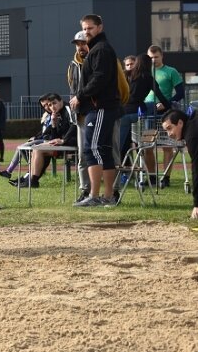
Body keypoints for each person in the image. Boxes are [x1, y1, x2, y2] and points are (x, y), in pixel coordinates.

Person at [71, 14, 121, 207]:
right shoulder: (98, 49)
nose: (86, 32)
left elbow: (99, 79)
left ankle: (94, 195)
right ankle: (107, 196)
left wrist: (80, 96)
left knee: (92, 149)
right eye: (84, 28)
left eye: (90, 28)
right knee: (104, 151)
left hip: (99, 107)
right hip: (99, 107)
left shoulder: (101, 49)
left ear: (100, 27)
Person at [10, 93, 77, 188]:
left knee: (38, 149)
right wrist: (54, 124)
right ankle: (31, 180)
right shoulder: (56, 114)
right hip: (63, 143)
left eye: (54, 103)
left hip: (73, 142)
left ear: (61, 101)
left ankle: (33, 181)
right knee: (35, 149)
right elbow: (55, 136)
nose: (52, 107)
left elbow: (74, 125)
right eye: (50, 105)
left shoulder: (67, 108)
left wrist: (63, 140)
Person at [143, 45, 185, 188]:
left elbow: (180, 93)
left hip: (165, 114)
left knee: (167, 146)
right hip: (147, 113)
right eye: (150, 57)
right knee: (147, 146)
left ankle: (166, 177)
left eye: (156, 57)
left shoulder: (170, 71)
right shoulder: (145, 72)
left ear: (162, 56)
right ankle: (152, 177)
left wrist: (166, 103)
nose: (153, 60)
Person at [120, 54, 168, 157]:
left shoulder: (127, 75)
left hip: (123, 112)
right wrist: (169, 107)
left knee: (120, 144)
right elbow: (160, 96)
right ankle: (148, 135)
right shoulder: (148, 77)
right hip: (136, 113)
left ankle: (117, 168)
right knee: (153, 106)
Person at [0, 94, 52, 179]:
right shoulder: (47, 115)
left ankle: (34, 170)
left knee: (24, 147)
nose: (46, 107)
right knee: (20, 147)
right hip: (43, 139)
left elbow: (49, 132)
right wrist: (35, 137)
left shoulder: (55, 115)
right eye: (44, 106)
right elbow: (44, 131)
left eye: (47, 105)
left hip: (49, 141)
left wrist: (36, 138)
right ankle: (9, 171)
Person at [66, 31, 92, 200]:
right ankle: (85, 189)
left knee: (106, 153)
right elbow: (71, 88)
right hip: (81, 115)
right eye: (77, 44)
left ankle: (113, 190)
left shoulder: (97, 60)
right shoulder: (72, 65)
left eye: (83, 43)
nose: (80, 46)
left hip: (98, 112)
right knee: (82, 154)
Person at [160, 108, 198, 219]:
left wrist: (197, 205)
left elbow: (196, 169)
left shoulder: (192, 136)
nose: (169, 134)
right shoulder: (192, 125)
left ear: (180, 123)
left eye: (169, 128)